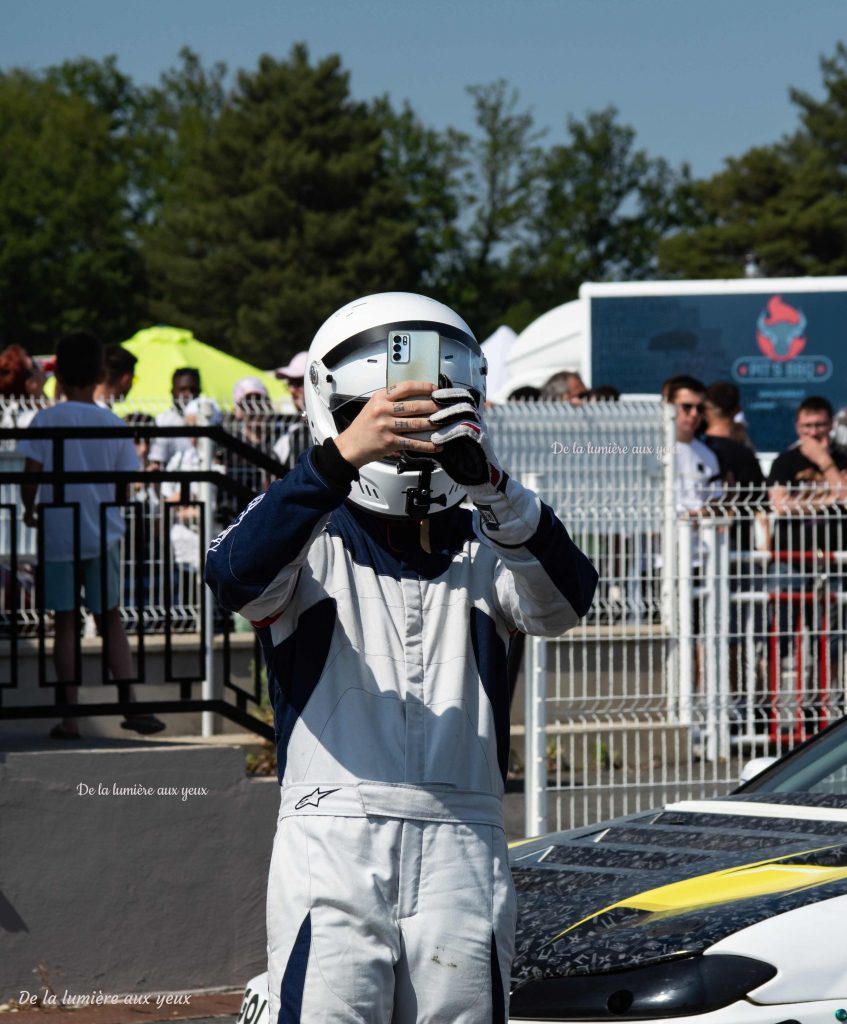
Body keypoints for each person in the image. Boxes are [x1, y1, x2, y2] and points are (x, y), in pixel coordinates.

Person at [205, 292, 597, 1023]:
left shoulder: (495, 533)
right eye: (386, 415)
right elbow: (234, 578)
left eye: (431, 414)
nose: (408, 436)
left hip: (462, 834)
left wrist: (492, 487)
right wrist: (342, 458)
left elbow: (566, 602)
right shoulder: (304, 529)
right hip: (332, 836)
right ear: (336, 407)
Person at [17, 331, 165, 738]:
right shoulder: (112, 421)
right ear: (102, 372)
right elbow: (122, 486)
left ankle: (69, 716)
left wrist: (30, 510)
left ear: (57, 375)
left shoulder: (46, 419)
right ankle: (130, 703)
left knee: (64, 624)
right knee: (110, 618)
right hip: (103, 532)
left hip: (58, 531)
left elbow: (29, 478)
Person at [147, 366, 201, 471]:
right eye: (183, 389)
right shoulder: (162, 421)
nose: (188, 394)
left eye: (193, 389)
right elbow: (157, 462)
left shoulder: (210, 419)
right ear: (172, 391)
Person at [272, 351, 310, 470]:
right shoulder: (294, 433)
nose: (291, 390)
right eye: (289, 383)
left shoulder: (337, 426)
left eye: (298, 382)